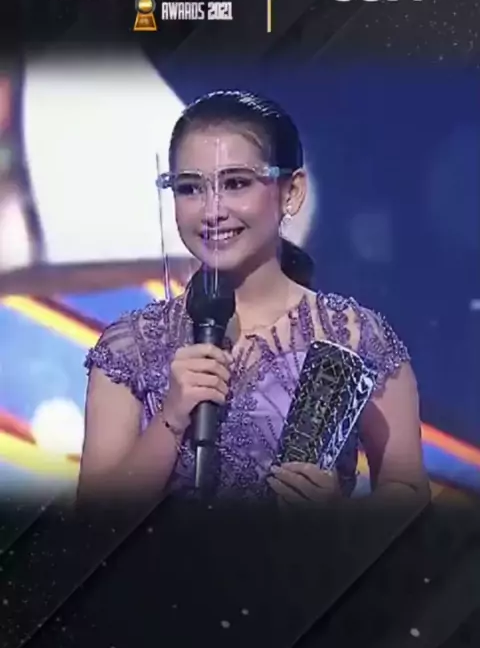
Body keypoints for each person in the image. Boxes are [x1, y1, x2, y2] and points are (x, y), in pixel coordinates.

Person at [80, 89, 429, 505]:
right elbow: (93, 522)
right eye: (190, 188)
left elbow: (409, 496)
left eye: (236, 184)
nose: (212, 210)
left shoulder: (355, 337)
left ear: (291, 192)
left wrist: (340, 522)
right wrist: (170, 419)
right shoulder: (131, 346)